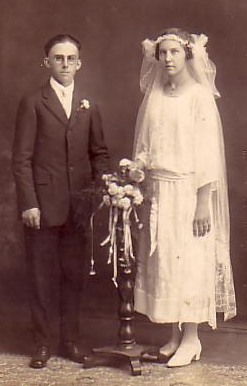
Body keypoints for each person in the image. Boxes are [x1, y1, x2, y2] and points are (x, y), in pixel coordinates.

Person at [131, 28, 236, 367]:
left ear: (188, 55)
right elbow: (147, 144)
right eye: (163, 53)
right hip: (160, 190)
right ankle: (174, 336)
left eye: (175, 52)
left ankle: (192, 338)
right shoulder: (156, 93)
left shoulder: (199, 96)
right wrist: (138, 169)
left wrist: (204, 200)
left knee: (189, 262)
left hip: (190, 193)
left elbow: (207, 154)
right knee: (166, 262)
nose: (168, 59)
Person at [12, 34, 110, 368]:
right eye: (58, 58)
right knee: (41, 276)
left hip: (79, 207)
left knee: (74, 276)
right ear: (47, 63)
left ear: (79, 63)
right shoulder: (34, 101)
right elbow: (21, 158)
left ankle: (71, 341)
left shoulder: (89, 103)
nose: (65, 64)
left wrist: (98, 194)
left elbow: (99, 154)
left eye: (70, 58)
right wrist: (29, 203)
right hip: (42, 204)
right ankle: (43, 343)